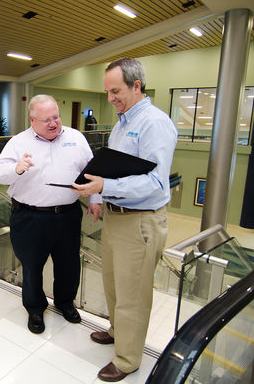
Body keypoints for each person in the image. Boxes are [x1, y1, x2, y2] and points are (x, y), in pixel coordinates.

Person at [72, 58, 178, 382]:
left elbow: (156, 183)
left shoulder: (154, 124)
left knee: (134, 293)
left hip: (140, 222)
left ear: (136, 85)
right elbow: (114, 169)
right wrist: (98, 196)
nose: (110, 98)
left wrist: (106, 186)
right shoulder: (120, 124)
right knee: (114, 286)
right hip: (116, 218)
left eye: (115, 91)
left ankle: (128, 359)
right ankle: (118, 332)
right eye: (106, 92)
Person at [0, 94, 102, 334]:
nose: (53, 123)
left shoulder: (76, 138)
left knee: (69, 264)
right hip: (30, 217)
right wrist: (16, 168)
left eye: (56, 117)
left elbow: (93, 170)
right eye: (46, 120)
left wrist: (95, 198)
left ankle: (64, 303)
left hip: (68, 215)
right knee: (31, 266)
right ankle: (34, 308)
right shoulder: (19, 143)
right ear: (32, 120)